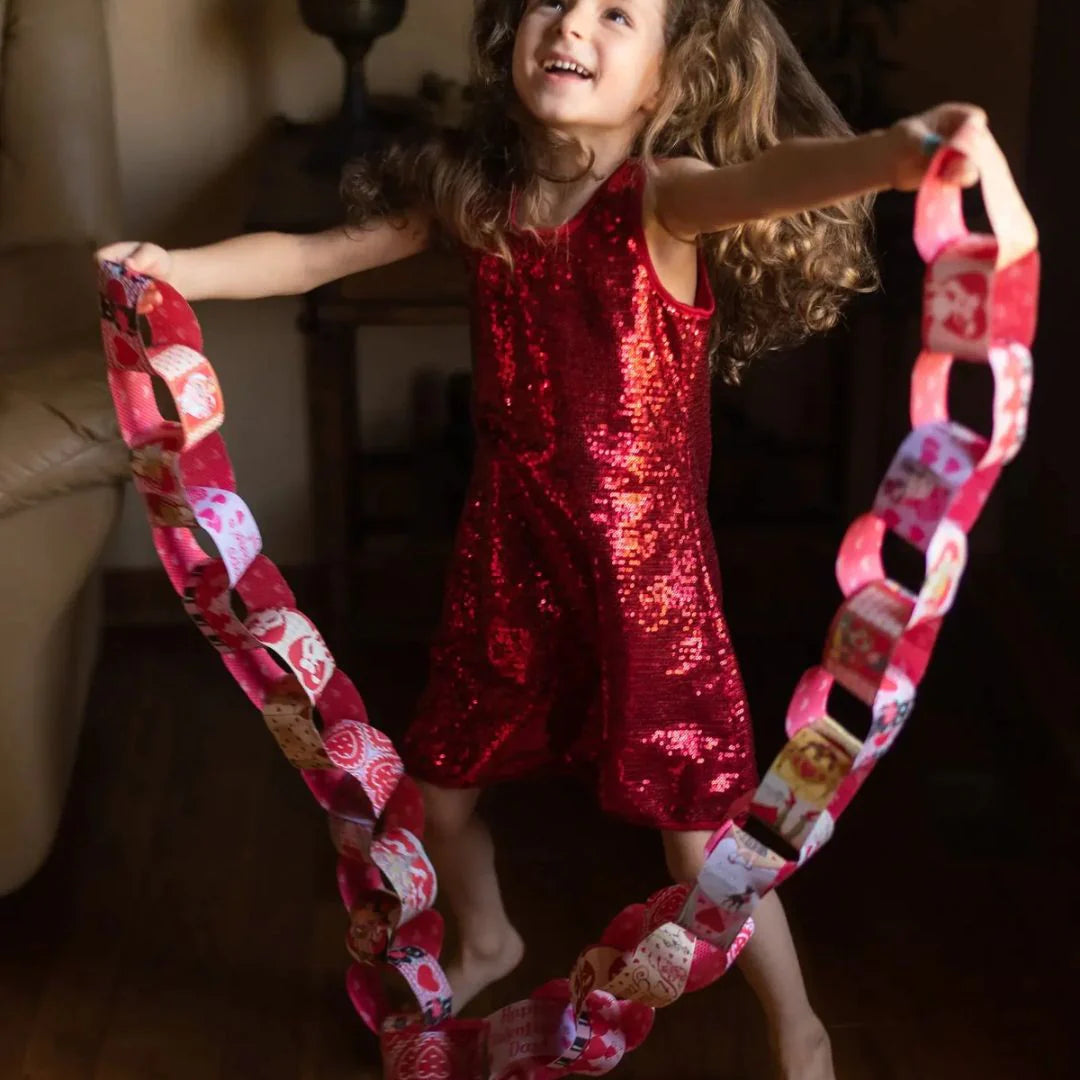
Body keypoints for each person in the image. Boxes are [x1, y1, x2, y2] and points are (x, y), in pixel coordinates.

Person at [98, 2, 985, 1075]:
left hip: (645, 573)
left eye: (618, 13)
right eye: (555, 3)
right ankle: (488, 937)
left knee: (701, 832)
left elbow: (779, 178)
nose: (573, 24)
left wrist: (899, 153)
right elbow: (312, 254)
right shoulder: (483, 197)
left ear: (667, 78)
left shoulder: (664, 198)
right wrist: (172, 266)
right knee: (444, 781)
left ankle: (798, 1024)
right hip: (510, 548)